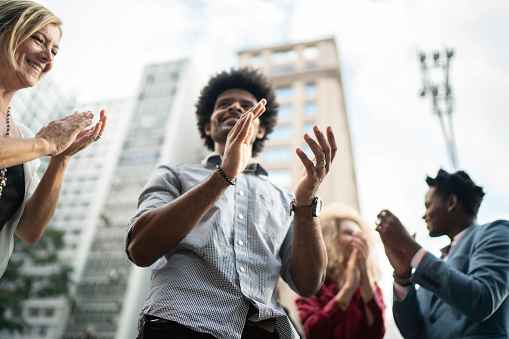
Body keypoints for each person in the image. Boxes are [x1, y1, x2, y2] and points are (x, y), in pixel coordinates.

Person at [126, 67, 337, 339]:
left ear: (260, 129)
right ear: (207, 125)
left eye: (247, 106)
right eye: (224, 104)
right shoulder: (174, 174)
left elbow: (308, 284)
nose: (235, 107)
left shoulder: (287, 199)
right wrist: (224, 175)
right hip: (180, 325)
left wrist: (306, 202)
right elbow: (140, 248)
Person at [0, 0, 107, 278]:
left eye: (55, 51)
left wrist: (60, 158)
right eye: (38, 39)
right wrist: (46, 145)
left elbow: (29, 229)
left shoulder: (21, 136)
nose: (48, 56)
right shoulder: (33, 143)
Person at [376, 169, 509, 338]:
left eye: (428, 205)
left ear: (451, 202)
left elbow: (481, 300)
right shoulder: (432, 265)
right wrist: (403, 277)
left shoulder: (496, 232)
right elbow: (412, 333)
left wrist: (410, 249)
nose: (424, 215)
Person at [296, 202, 386, 339]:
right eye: (348, 233)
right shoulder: (313, 287)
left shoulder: (373, 290)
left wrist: (365, 272)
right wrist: (348, 289)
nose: (357, 240)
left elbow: (377, 332)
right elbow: (314, 333)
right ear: (331, 238)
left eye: (360, 235)